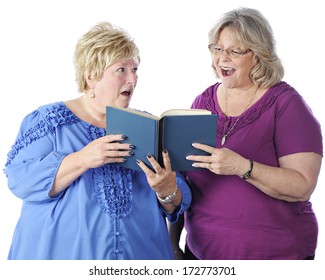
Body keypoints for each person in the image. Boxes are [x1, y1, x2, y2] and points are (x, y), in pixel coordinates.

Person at [3, 22, 191, 260]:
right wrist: (83, 159)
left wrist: (167, 191)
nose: (132, 79)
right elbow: (20, 180)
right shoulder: (48, 121)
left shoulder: (148, 126)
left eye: (135, 69)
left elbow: (177, 202)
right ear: (91, 76)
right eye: (121, 70)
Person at [169, 7, 323, 260]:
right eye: (217, 49)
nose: (222, 58)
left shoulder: (286, 105)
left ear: (259, 54)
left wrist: (242, 166)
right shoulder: (201, 103)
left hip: (277, 257)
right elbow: (184, 181)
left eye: (235, 51)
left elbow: (302, 186)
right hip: (202, 255)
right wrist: (173, 245)